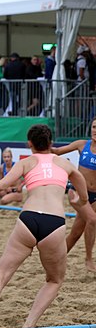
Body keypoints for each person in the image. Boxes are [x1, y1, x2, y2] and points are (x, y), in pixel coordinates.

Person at [0, 124, 96, 328]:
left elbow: (1, 185)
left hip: (28, 219)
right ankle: (29, 324)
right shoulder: (64, 163)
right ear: (51, 143)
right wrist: (81, 199)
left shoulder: (27, 162)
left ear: (29, 144)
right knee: (54, 280)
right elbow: (81, 185)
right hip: (54, 223)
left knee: (0, 275)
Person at [51, 117, 96, 272]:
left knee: (76, 233)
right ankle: (89, 260)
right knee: (93, 220)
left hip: (95, 196)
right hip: (77, 191)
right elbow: (57, 151)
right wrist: (43, 144)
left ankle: (55, 260)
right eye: (94, 127)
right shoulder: (82, 145)